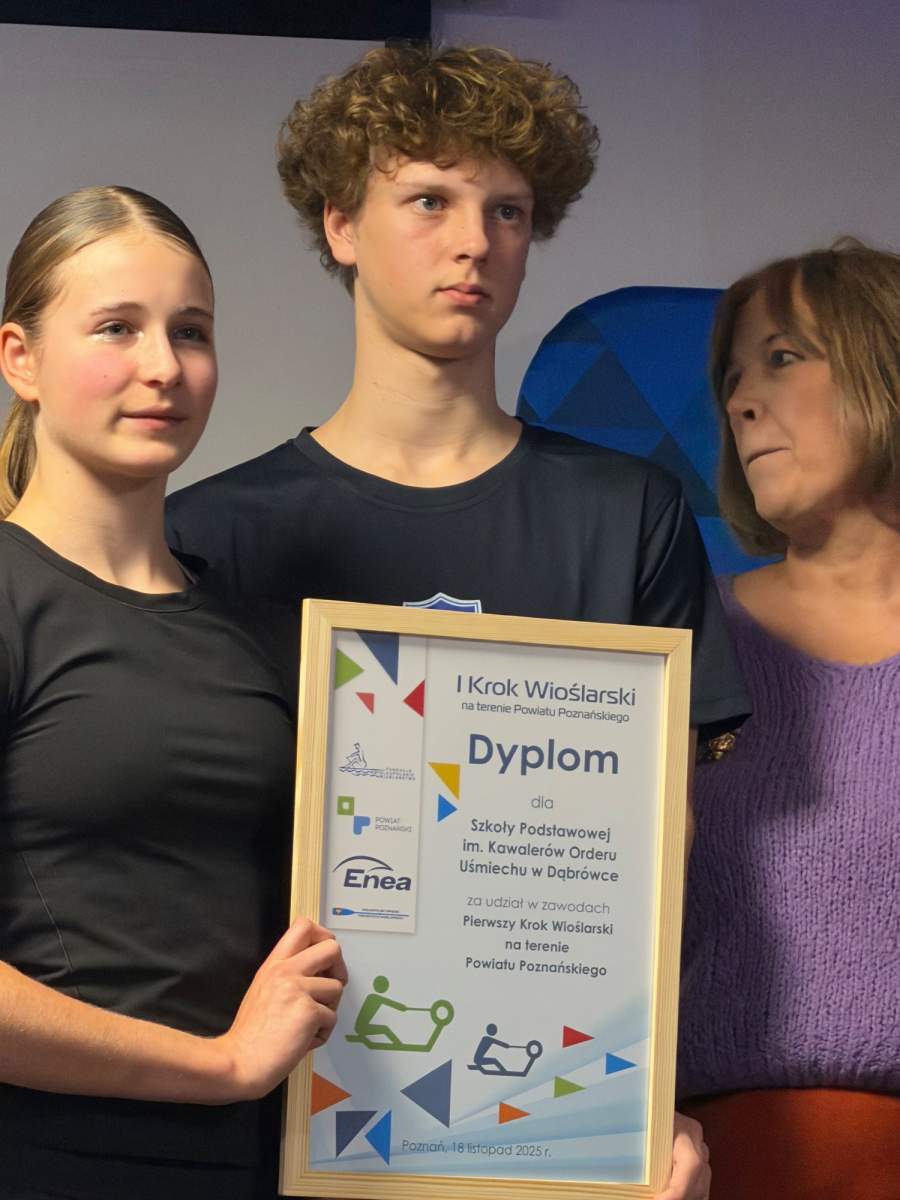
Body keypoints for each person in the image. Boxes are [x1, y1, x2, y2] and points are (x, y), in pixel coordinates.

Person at [167, 44, 753, 1198]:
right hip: (280, 1128)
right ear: (341, 224)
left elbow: (654, 857)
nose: (475, 241)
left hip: (550, 1130)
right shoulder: (212, 532)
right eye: (429, 200)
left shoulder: (629, 515)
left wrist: (625, 1104)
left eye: (509, 210)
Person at [0, 186, 346, 1200]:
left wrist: (603, 1119)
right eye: (117, 327)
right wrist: (222, 1066)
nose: (164, 366)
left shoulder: (262, 634)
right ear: (20, 358)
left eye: (190, 331)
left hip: (254, 1168)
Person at [677, 240, 900, 1199]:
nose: (741, 402)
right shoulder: (677, 650)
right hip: (708, 1166)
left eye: (781, 357)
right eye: (731, 378)